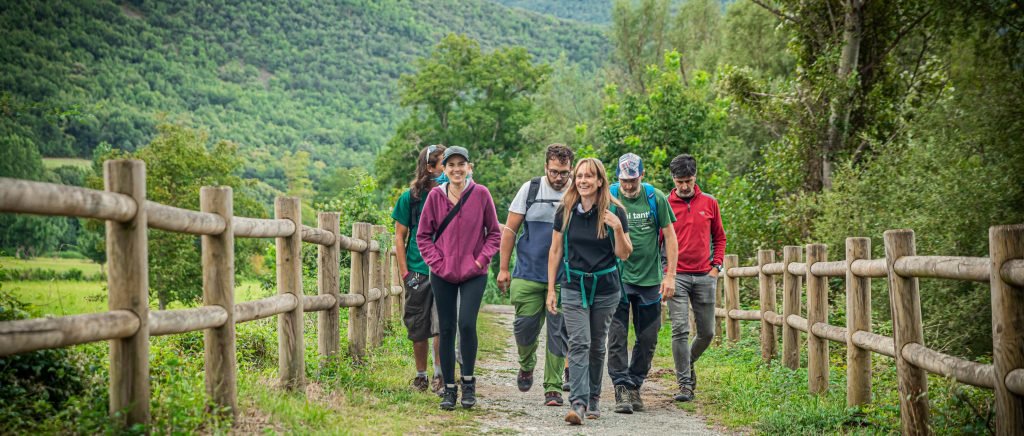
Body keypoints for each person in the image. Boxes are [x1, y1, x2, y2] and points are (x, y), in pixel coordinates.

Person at [546, 158, 632, 425]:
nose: (583, 180)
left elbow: (624, 254)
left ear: (599, 181)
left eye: (588, 176)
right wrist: (551, 289)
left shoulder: (615, 212)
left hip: (605, 289)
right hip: (573, 286)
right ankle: (579, 403)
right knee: (579, 343)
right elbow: (556, 250)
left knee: (596, 345)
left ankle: (594, 398)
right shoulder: (566, 211)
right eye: (579, 176)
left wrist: (617, 228)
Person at [417, 146, 501, 410]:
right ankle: (449, 389)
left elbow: (495, 234)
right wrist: (437, 262)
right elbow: (423, 236)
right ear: (444, 169)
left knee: (466, 324)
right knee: (446, 328)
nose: (456, 169)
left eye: (460, 164)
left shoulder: (481, 194)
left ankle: (468, 383)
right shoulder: (434, 197)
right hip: (443, 273)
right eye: (450, 164)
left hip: (474, 273)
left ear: (469, 167)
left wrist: (480, 260)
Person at [497, 143, 574, 406]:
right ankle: (526, 362)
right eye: (554, 172)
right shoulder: (530, 190)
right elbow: (509, 230)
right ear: (545, 168)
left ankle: (552, 386)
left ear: (570, 170)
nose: (559, 178)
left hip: (564, 276)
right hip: (528, 272)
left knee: (558, 333)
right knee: (524, 329)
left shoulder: (578, 191)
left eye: (564, 173)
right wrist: (504, 268)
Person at [605, 153, 678, 414]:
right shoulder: (610, 196)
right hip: (619, 280)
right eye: (624, 180)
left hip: (649, 281)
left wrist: (670, 275)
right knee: (617, 337)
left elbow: (670, 236)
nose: (628, 186)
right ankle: (621, 388)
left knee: (648, 338)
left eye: (632, 180)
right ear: (618, 178)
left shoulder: (654, 197)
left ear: (641, 176)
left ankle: (635, 383)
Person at [666, 154, 726, 403]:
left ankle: (686, 362)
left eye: (688, 180)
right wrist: (665, 271)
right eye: (679, 181)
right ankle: (685, 384)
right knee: (680, 329)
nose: (684, 186)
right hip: (677, 275)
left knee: (707, 332)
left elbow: (719, 237)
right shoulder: (665, 203)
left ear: (695, 177)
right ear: (673, 179)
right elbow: (659, 240)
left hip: (704, 275)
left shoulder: (710, 203)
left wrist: (716, 267)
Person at [392, 144, 446, 394]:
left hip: (445, 270)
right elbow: (400, 237)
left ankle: (440, 375)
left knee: (441, 325)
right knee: (418, 325)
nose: (449, 169)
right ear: (429, 167)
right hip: (417, 271)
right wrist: (405, 273)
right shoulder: (410, 198)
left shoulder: (452, 193)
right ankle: (421, 375)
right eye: (443, 164)